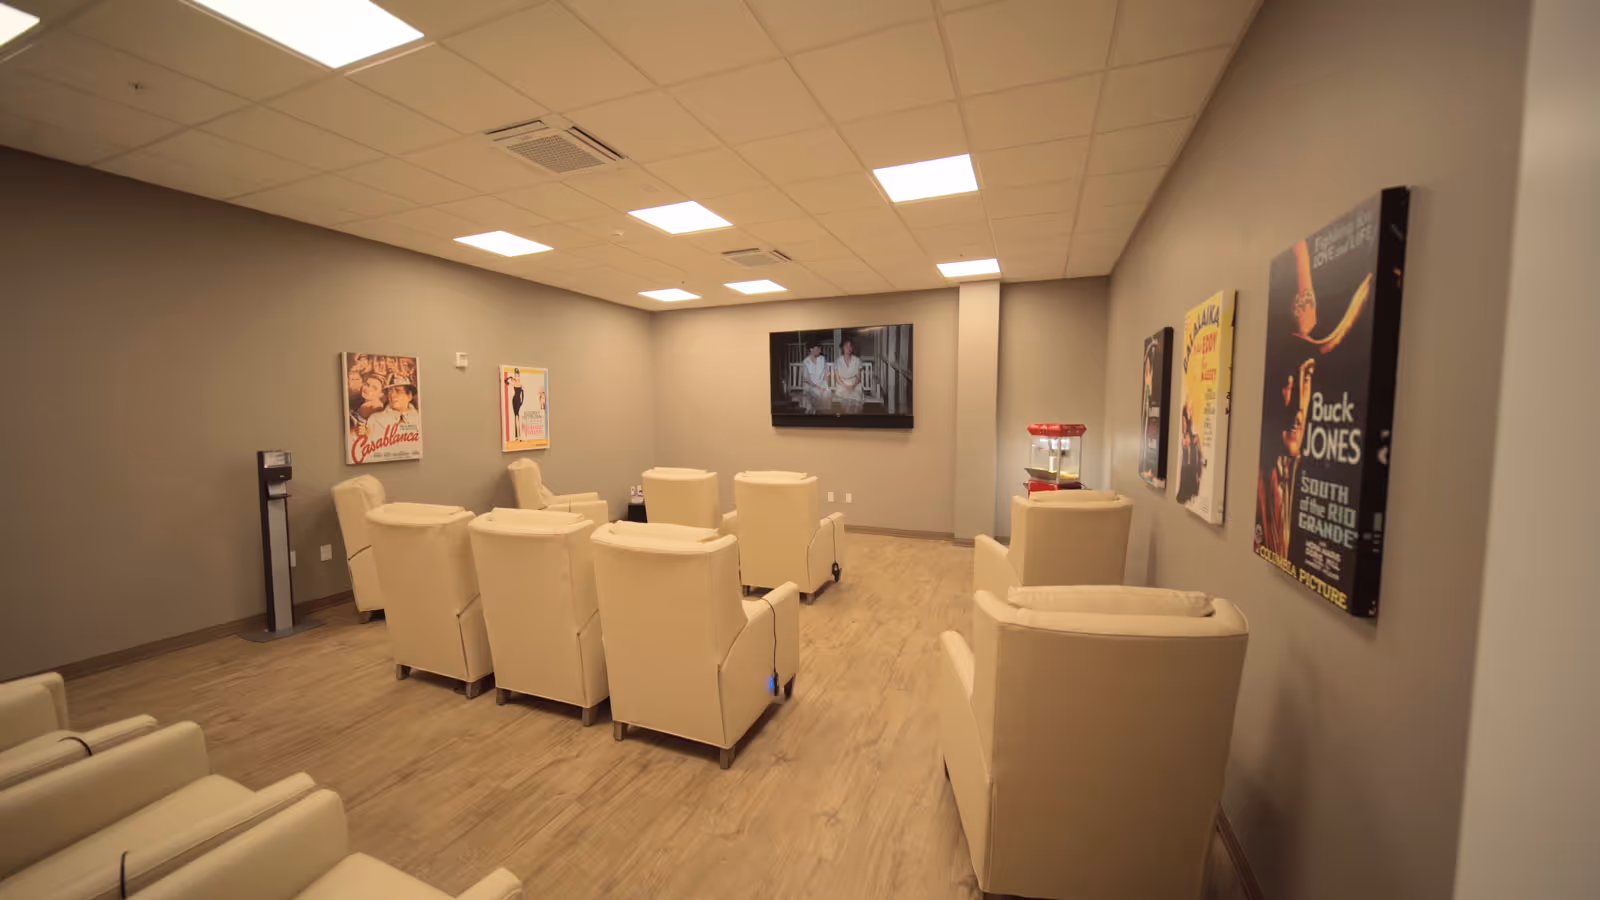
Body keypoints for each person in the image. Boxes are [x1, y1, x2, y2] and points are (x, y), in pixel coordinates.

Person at [833, 337, 864, 414]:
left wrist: (853, 386)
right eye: (846, 346)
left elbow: (858, 377)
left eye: (850, 346)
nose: (849, 348)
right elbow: (838, 379)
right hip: (842, 386)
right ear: (842, 348)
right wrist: (845, 386)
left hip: (855, 385)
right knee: (846, 399)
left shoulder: (857, 360)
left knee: (855, 398)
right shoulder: (838, 361)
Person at [801, 343, 831, 414]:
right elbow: (807, 379)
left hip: (821, 385)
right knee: (812, 393)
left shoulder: (822, 359)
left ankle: (818, 414)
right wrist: (817, 387)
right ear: (811, 349)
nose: (818, 350)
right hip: (810, 386)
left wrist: (824, 385)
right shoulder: (806, 361)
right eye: (816, 348)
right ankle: (811, 412)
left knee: (826, 393)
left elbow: (826, 374)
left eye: (819, 349)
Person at [505, 369, 525, 440]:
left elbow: (523, 395)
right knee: (516, 417)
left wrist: (522, 402)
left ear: (519, 376)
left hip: (519, 401)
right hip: (514, 401)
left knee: (518, 417)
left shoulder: (521, 384)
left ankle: (518, 435)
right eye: (515, 376)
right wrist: (510, 377)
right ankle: (518, 436)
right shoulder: (513, 384)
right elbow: (505, 381)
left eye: (518, 376)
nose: (517, 377)